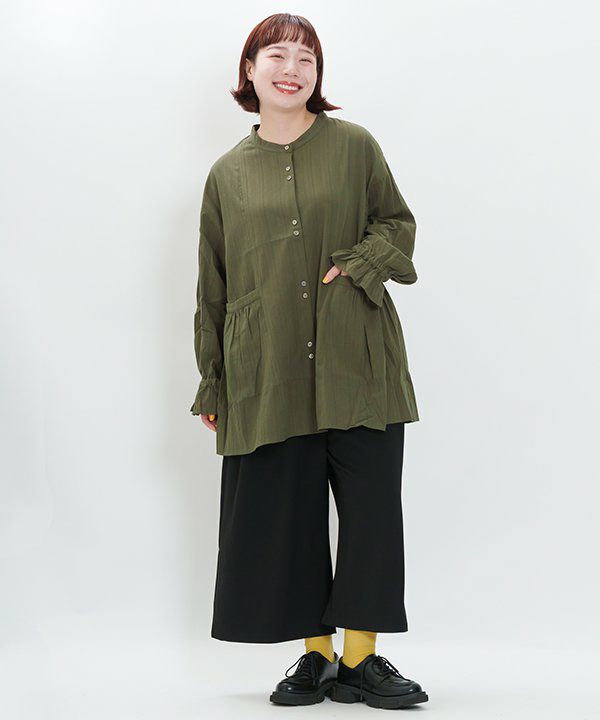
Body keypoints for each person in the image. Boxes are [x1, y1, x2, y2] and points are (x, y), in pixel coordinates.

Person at [190, 13, 429, 710]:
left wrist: (359, 263)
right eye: (277, 55)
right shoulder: (226, 175)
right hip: (268, 369)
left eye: (306, 58)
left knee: (370, 514)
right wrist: (213, 380)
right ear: (250, 70)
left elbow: (397, 225)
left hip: (360, 360)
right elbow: (213, 283)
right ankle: (316, 657)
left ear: (317, 75)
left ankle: (362, 660)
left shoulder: (354, 147)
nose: (291, 69)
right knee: (289, 518)